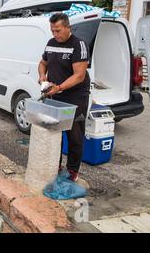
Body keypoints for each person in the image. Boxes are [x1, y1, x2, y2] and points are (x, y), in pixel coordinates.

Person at [38, 13, 90, 182]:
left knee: (74, 135)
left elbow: (79, 76)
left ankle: (72, 170)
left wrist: (58, 88)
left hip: (75, 97)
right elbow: (42, 63)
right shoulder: (51, 44)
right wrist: (42, 77)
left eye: (58, 30)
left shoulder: (78, 44)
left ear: (68, 27)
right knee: (55, 131)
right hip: (55, 95)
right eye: (52, 30)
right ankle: (56, 165)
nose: (55, 34)